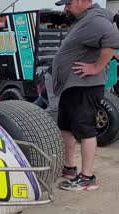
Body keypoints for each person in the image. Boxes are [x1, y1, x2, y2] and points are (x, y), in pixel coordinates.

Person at [53, 0, 119, 191]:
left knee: (85, 130)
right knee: (66, 127)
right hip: (72, 86)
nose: (65, 8)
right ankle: (69, 168)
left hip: (85, 86)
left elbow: (113, 38)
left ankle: (87, 178)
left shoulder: (96, 19)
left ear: (83, 1)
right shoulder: (85, 19)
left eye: (68, 3)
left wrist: (96, 67)